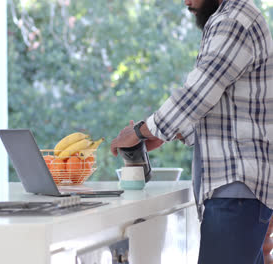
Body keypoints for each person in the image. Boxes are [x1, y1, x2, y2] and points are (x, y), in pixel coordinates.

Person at [110, 0, 273, 263]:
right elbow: (222, 107)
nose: (185, 2)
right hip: (239, 193)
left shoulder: (233, 20)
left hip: (236, 189)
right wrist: (162, 133)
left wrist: (141, 131)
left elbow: (198, 92)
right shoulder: (234, 16)